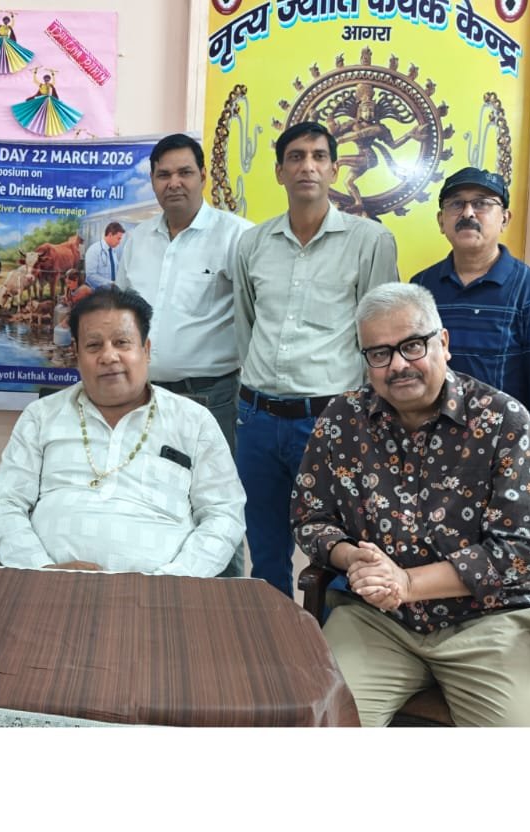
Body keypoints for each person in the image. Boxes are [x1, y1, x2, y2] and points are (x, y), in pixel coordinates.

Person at [292, 282, 530, 726]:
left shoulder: (503, 421)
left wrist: (408, 583)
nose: (398, 365)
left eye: (412, 346)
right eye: (379, 353)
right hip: (376, 620)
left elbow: (521, 550)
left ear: (443, 343)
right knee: (316, 724)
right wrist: (354, 559)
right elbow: (310, 517)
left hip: (489, 621)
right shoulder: (343, 419)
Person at [232, 120, 398, 597]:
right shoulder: (252, 244)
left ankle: (334, 635)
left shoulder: (370, 241)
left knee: (343, 546)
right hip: (258, 419)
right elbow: (246, 323)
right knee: (265, 546)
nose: (308, 166)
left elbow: (381, 336)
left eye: (319, 156)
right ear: (279, 172)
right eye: (296, 157)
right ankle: (271, 633)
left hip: (331, 419)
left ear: (333, 169)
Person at [0, 287, 245, 575]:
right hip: (49, 587)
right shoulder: (42, 416)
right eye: (94, 345)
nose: (109, 356)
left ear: (145, 350)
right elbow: (3, 503)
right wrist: (42, 569)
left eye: (122, 342)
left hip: (165, 593)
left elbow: (224, 513)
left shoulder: (194, 421)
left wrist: (172, 580)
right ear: (76, 354)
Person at [118, 133, 254, 453]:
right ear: (153, 180)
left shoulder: (238, 236)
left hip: (211, 399)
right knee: (144, 482)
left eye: (185, 172)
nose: (174, 183)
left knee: (209, 484)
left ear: (203, 176)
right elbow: (121, 316)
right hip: (142, 396)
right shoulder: (138, 239)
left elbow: (260, 315)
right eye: (164, 175)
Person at [410, 167, 530, 445]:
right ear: (441, 221)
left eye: (482, 203)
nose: (468, 213)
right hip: (429, 439)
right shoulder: (421, 285)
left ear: (504, 218)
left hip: (502, 443)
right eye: (456, 204)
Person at [12, 67, 83, 138]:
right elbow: (35, 80)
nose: (46, 80)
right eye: (46, 79)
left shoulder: (50, 85)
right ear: (44, 79)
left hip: (49, 99)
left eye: (48, 79)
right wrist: (35, 73)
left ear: (49, 80)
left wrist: (53, 74)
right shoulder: (41, 85)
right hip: (42, 99)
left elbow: (53, 82)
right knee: (38, 110)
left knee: (51, 111)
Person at [82, 221, 124, 289]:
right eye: (118, 238)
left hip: (112, 291)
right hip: (98, 292)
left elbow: (116, 271)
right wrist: (111, 284)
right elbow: (90, 276)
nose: (119, 242)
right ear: (110, 235)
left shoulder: (113, 251)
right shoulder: (94, 250)